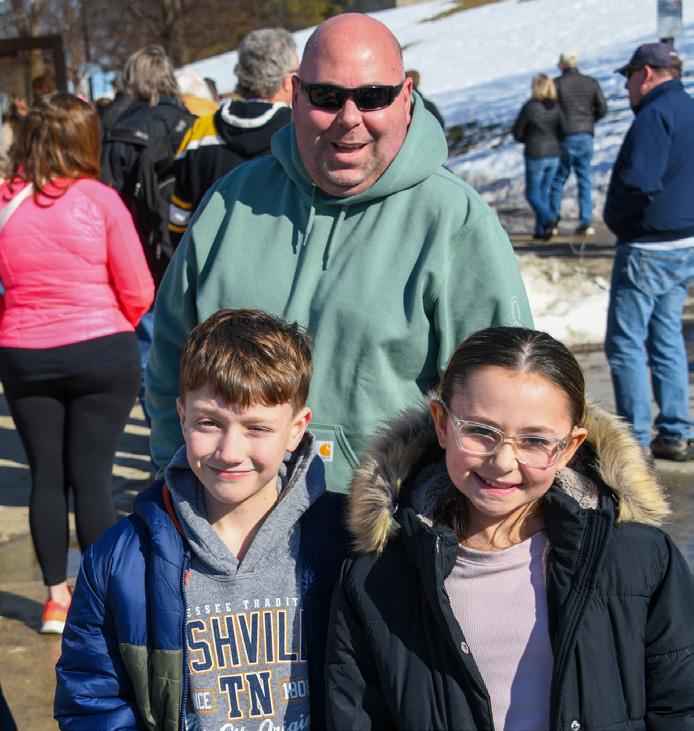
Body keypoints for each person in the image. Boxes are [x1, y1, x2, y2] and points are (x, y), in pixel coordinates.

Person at [148, 12, 533, 492]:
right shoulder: (232, 201)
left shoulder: (455, 220)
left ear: (405, 98)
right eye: (327, 97)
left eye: (372, 97)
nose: (349, 118)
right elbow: (170, 359)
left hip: (381, 521)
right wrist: (175, 478)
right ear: (295, 95)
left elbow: (506, 398)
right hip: (228, 515)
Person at [326, 326, 694, 729]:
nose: (503, 462)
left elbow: (680, 707)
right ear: (442, 424)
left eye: (534, 441)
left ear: (569, 447)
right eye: (480, 432)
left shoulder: (639, 559)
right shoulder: (378, 575)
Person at [54, 308, 349, 730]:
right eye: (209, 423)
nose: (229, 451)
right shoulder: (119, 559)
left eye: (256, 428)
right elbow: (92, 700)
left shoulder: (346, 542)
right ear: (181, 416)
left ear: (297, 428)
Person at [0, 93, 153, 634]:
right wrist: (110, 325)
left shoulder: (6, 201)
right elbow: (139, 289)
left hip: (25, 353)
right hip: (101, 348)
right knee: (92, 477)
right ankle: (98, 597)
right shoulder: (100, 199)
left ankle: (54, 600)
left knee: (46, 475)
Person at [603, 42, 694, 462]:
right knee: (666, 334)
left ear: (647, 73)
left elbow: (640, 182)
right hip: (683, 243)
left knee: (625, 343)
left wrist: (616, 216)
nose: (626, 87)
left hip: (648, 246)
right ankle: (676, 431)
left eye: (629, 77)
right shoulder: (688, 108)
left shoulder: (654, 115)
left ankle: (634, 440)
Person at [101, 45, 193, 421]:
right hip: (184, 249)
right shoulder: (191, 124)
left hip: (137, 255)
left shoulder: (117, 129)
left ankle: (158, 431)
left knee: (148, 351)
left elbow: (107, 201)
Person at [168, 27, 297, 243]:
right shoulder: (298, 133)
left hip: (209, 259)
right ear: (287, 80)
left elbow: (179, 219)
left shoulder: (200, 131)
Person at [548, 51, 607, 235]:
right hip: (586, 135)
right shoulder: (591, 82)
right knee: (584, 178)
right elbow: (602, 107)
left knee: (558, 179)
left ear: (561, 65)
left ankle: (553, 219)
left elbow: (550, 111)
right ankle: (586, 220)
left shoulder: (556, 84)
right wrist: (589, 121)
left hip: (565, 137)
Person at [513, 73, 562, 240]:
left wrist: (528, 138)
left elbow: (518, 132)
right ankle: (541, 230)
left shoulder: (530, 107)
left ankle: (549, 219)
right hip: (553, 153)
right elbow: (563, 128)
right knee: (543, 192)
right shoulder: (556, 106)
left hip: (535, 153)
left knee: (532, 195)